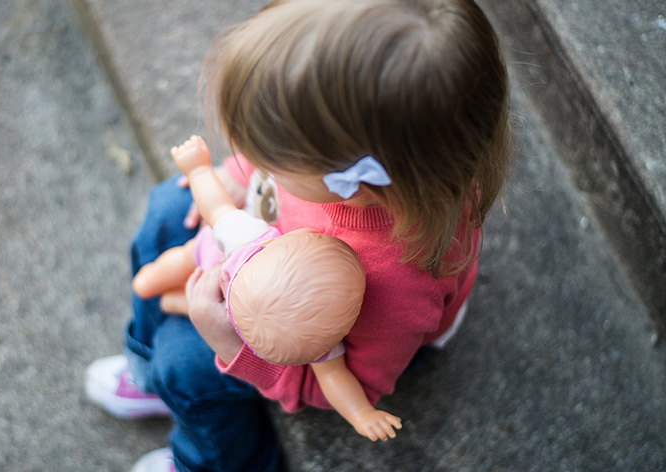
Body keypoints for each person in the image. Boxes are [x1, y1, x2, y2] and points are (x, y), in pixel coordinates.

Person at [85, 0, 511, 470]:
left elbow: (336, 383)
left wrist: (233, 345)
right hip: (273, 253)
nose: (246, 151)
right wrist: (240, 172)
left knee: (183, 365)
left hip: (312, 329)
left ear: (349, 179)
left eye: (264, 149)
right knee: (170, 206)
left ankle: (214, 461)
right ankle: (145, 369)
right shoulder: (373, 163)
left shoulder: (397, 283)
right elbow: (289, 145)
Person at [132, 134, 402, 441]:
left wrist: (197, 170)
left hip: (211, 257)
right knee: (170, 223)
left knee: (179, 264)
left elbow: (215, 205)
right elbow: (334, 375)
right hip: (232, 316)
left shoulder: (251, 238)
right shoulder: (316, 338)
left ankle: (153, 290)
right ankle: (170, 303)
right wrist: (358, 413)